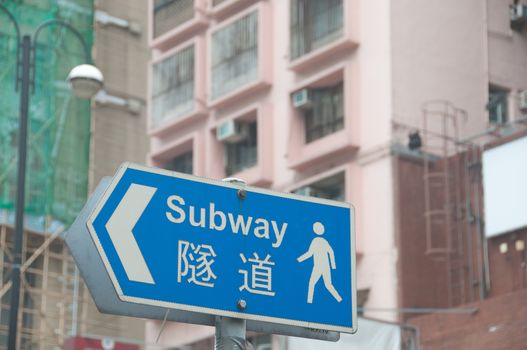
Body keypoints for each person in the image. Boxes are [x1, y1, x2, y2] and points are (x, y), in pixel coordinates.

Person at [297, 222, 342, 304]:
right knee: (328, 285)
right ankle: (339, 300)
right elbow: (331, 252)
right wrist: (333, 266)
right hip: (326, 267)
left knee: (312, 284)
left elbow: (310, 253)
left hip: (318, 267)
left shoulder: (315, 241)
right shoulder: (324, 241)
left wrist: (299, 259)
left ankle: (309, 302)